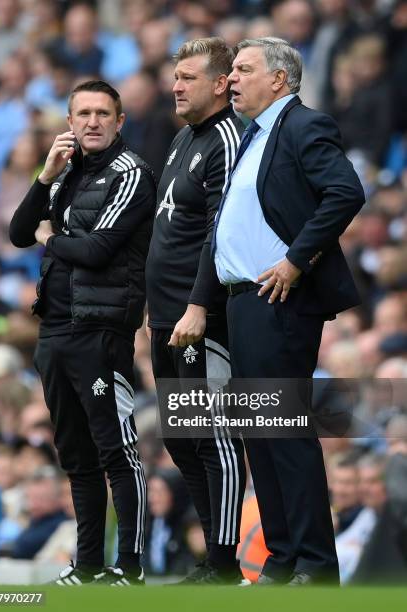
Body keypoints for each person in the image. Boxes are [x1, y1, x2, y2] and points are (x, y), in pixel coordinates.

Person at [213, 37, 365, 585]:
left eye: (243, 69)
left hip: (278, 297)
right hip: (244, 302)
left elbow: (345, 191)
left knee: (284, 427)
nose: (231, 78)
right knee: (260, 431)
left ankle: (317, 565)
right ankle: (282, 560)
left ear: (279, 80)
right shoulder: (253, 137)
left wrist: (296, 260)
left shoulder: (302, 125)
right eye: (231, 69)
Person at [9, 80, 156, 586]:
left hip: (101, 330)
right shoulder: (66, 174)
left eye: (102, 113)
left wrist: (50, 236)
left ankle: (131, 568)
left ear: (120, 121)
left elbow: (97, 250)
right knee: (77, 456)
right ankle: (89, 564)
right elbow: (16, 231)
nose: (92, 122)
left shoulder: (132, 171)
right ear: (69, 122)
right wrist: (45, 175)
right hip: (55, 330)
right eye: (82, 113)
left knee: (118, 450)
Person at [145, 37, 247, 585]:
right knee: (182, 437)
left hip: (200, 316)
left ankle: (226, 563)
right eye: (174, 76)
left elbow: (218, 230)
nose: (176, 85)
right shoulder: (185, 137)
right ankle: (212, 556)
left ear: (219, 83)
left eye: (187, 76)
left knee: (215, 437)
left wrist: (198, 305)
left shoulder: (225, 138)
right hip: (166, 317)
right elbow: (170, 228)